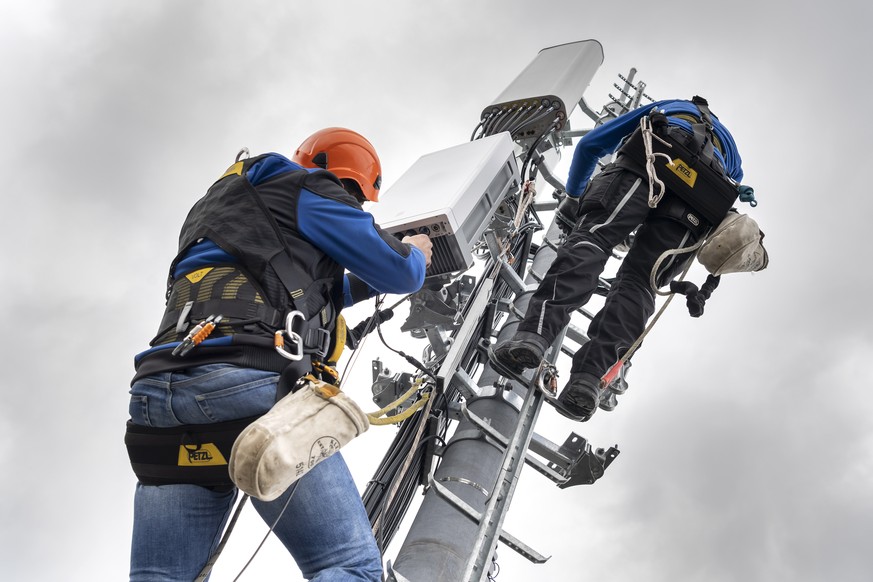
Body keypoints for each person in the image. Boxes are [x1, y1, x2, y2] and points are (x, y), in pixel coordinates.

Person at [125, 127, 433, 581]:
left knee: (162, 576)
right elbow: (401, 271)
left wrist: (357, 287)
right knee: (346, 565)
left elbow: (283, 288)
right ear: (352, 184)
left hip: (161, 392)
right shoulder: (311, 189)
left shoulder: (221, 204)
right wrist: (419, 256)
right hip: (245, 383)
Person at [490, 96, 744, 421]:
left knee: (594, 240)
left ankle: (533, 335)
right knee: (641, 282)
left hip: (650, 161)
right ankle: (589, 380)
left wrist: (574, 195)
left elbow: (591, 146)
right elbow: (738, 183)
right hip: (703, 198)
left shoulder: (669, 109)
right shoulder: (731, 153)